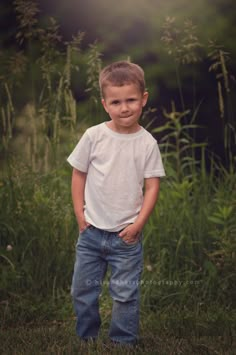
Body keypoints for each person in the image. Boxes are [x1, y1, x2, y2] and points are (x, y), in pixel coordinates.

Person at [67, 60, 165, 345]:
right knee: (81, 290)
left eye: (131, 100)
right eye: (116, 101)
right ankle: (87, 338)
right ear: (105, 104)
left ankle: (123, 342)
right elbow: (78, 173)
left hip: (126, 237)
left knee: (125, 293)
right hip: (91, 231)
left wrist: (138, 224)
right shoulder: (94, 136)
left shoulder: (147, 143)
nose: (125, 108)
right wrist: (79, 213)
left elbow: (152, 186)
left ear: (143, 99)